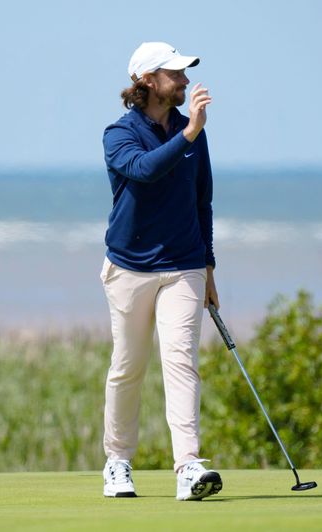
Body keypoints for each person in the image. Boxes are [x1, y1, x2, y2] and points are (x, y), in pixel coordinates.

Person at [100, 42, 222, 501]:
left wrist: (208, 266)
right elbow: (144, 169)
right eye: (176, 74)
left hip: (185, 265)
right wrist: (189, 132)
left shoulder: (194, 133)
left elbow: (202, 201)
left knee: (181, 362)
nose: (186, 81)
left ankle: (188, 467)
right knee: (128, 367)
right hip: (129, 267)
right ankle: (118, 462)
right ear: (148, 80)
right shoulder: (119, 133)